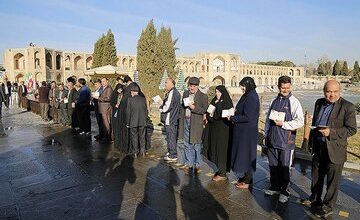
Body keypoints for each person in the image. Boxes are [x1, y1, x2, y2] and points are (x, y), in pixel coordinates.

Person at [306, 80, 357, 217]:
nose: (331, 95)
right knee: (316, 177)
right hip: (319, 147)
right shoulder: (318, 102)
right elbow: (314, 123)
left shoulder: (348, 106)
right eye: (328, 91)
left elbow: (352, 130)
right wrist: (311, 143)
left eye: (335, 91)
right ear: (324, 91)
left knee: (332, 181)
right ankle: (315, 200)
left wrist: (331, 132)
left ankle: (328, 206)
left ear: (339, 91)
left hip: (335, 149)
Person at [263, 76, 304, 203]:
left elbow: (300, 121)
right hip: (273, 138)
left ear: (290, 86)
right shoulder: (273, 100)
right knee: (273, 165)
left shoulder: (294, 102)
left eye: (287, 87)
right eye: (283, 88)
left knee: (285, 167)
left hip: (286, 141)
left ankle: (285, 191)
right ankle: (274, 187)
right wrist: (266, 134)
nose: (285, 90)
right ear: (278, 87)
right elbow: (268, 120)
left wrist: (284, 124)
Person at [230, 77, 259, 188]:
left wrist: (233, 118)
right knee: (244, 155)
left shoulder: (251, 97)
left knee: (247, 155)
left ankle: (248, 181)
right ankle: (245, 177)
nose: (242, 88)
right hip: (244, 131)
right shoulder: (248, 95)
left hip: (247, 132)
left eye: (243, 86)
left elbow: (248, 116)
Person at [178, 77, 208, 174]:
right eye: (190, 86)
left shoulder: (203, 96)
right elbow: (182, 106)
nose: (191, 88)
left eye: (194, 86)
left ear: (197, 86)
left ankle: (198, 164)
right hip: (186, 120)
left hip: (196, 123)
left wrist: (193, 107)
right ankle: (189, 163)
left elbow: (204, 110)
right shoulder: (186, 93)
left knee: (197, 144)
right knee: (187, 143)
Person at [205, 85, 233, 181]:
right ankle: (219, 169)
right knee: (215, 148)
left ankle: (223, 172)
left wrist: (215, 113)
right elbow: (208, 113)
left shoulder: (227, 101)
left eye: (219, 92)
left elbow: (223, 114)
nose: (217, 94)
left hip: (223, 130)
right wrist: (212, 116)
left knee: (221, 150)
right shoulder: (214, 100)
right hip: (214, 129)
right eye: (216, 92)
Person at [160, 78, 181, 162]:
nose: (165, 84)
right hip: (172, 118)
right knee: (170, 137)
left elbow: (168, 106)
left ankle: (173, 155)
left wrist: (161, 108)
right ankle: (170, 152)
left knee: (171, 137)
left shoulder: (173, 92)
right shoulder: (172, 92)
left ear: (171, 84)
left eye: (166, 83)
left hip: (171, 118)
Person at [126, 85, 148, 158]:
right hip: (142, 122)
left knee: (134, 137)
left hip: (133, 122)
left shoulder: (130, 100)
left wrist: (128, 123)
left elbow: (128, 113)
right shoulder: (143, 99)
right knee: (142, 137)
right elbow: (146, 111)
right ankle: (143, 151)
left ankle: (135, 152)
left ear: (132, 92)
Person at [110, 83, 126, 150]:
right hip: (115, 112)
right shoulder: (114, 94)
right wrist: (115, 105)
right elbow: (112, 102)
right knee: (115, 125)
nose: (119, 91)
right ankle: (116, 138)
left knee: (121, 126)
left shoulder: (124, 95)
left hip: (122, 112)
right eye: (118, 89)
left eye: (120, 89)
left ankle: (121, 139)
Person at [98, 77, 113, 143]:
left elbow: (108, 98)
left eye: (104, 81)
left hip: (106, 108)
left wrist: (99, 98)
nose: (102, 83)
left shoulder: (109, 88)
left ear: (107, 81)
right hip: (103, 107)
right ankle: (106, 136)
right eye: (102, 81)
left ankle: (108, 137)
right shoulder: (104, 88)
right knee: (105, 123)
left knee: (106, 123)